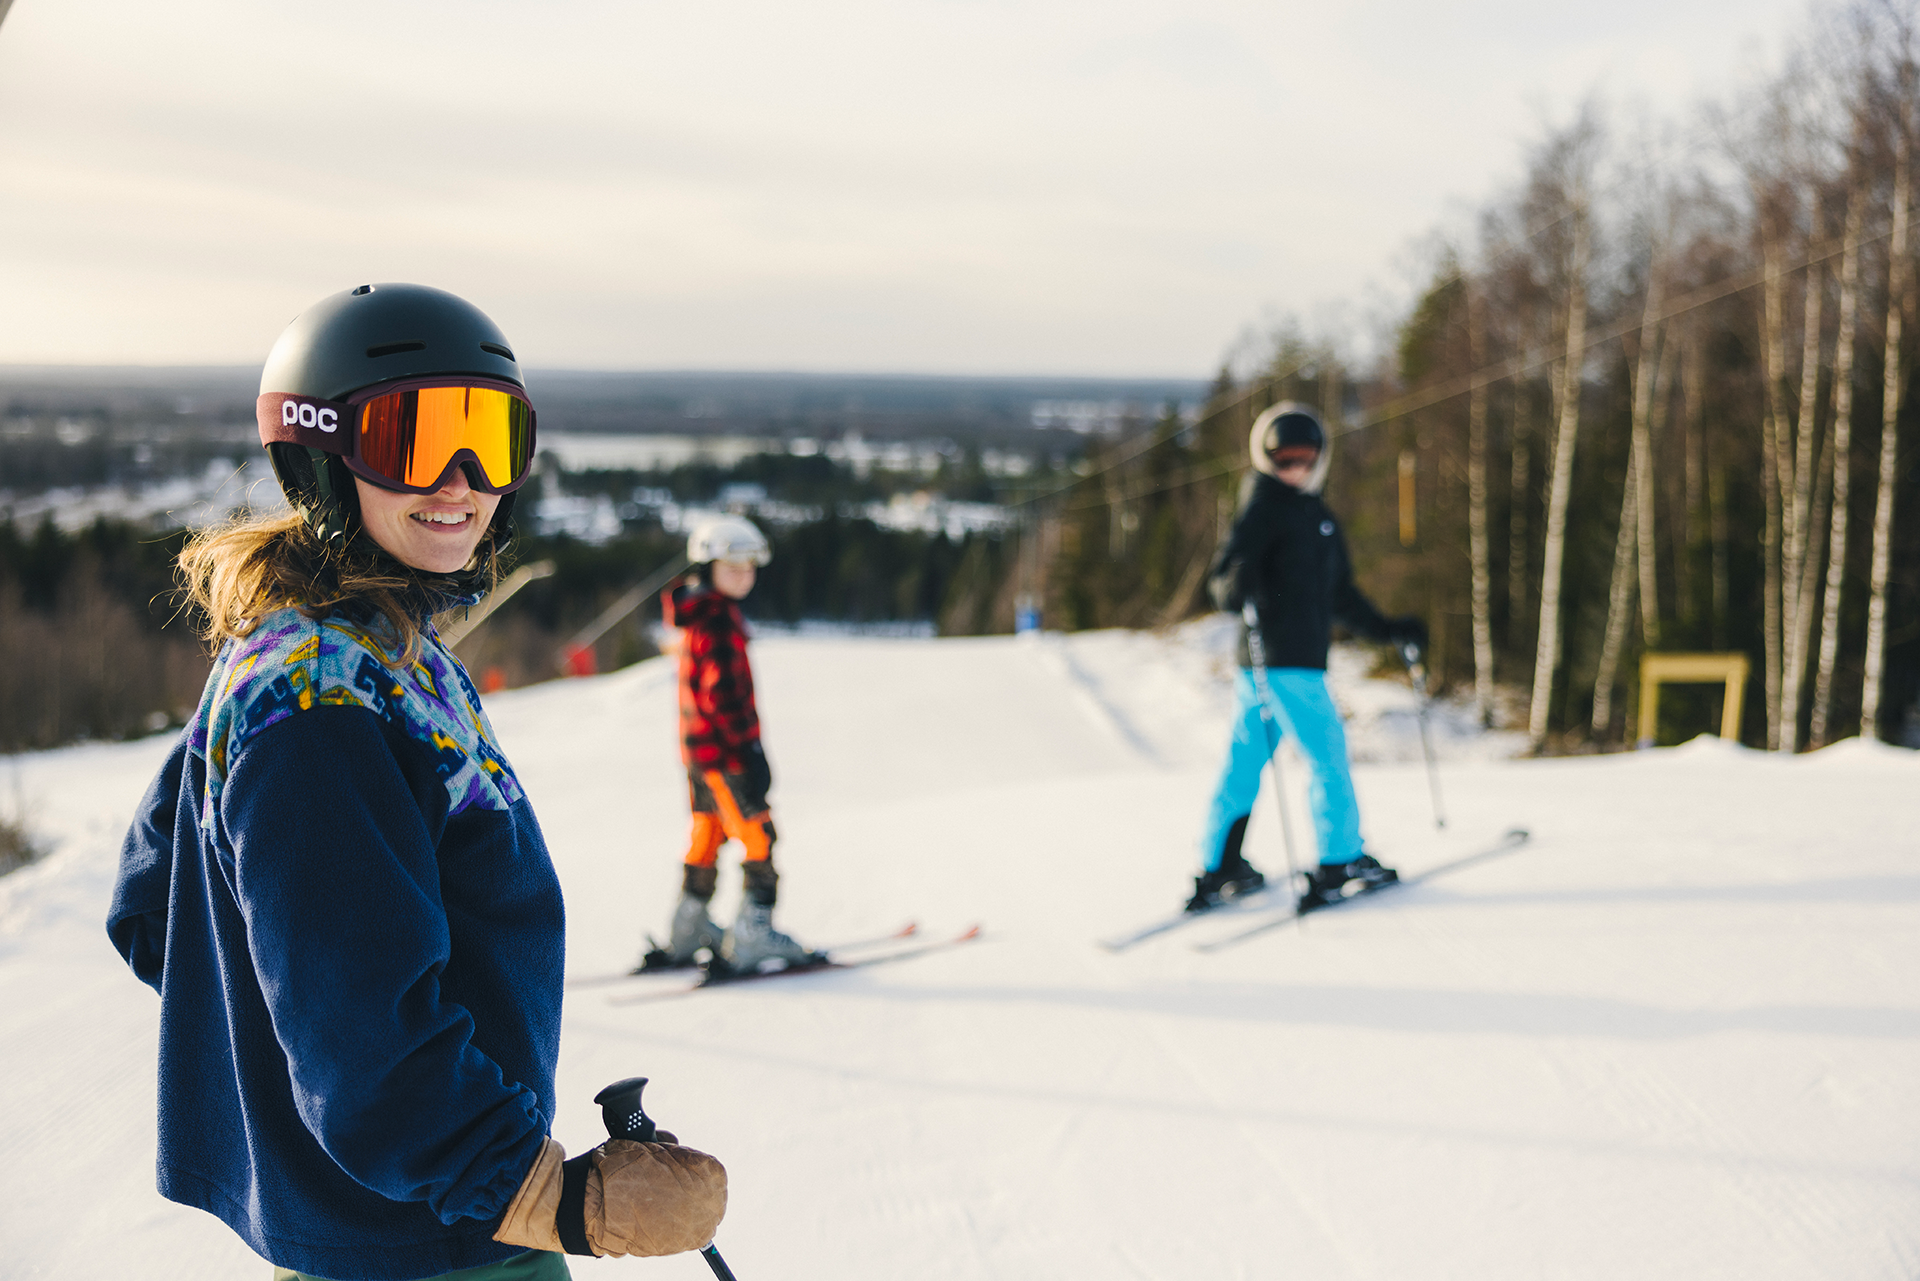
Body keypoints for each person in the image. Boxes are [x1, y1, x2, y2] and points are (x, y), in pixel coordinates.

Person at [106, 283, 727, 1281]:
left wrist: (292, 1040)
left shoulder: (342, 643)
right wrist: (551, 1198)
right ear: (319, 453)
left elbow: (159, 906)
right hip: (431, 1244)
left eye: (491, 435)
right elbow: (357, 1028)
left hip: (417, 1217)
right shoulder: (319, 709)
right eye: (414, 439)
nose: (465, 479)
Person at [1187, 402, 1427, 915]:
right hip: (1283, 662)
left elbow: (1339, 594)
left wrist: (1389, 629)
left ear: (1320, 457)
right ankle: (1339, 862)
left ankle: (1220, 864)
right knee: (1328, 757)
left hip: (1265, 670)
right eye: (1283, 459)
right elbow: (1224, 578)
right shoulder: (1266, 503)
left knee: (1244, 763)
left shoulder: (1314, 514)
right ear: (1265, 457)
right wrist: (1237, 587)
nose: (1293, 468)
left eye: (1303, 458)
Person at [642, 514, 818, 975]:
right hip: (725, 755)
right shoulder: (718, 622)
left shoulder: (700, 616)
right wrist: (751, 754)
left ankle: (688, 929)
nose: (744, 574)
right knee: (758, 834)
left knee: (707, 833)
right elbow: (724, 698)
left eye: (750, 565)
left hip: (700, 755)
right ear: (707, 568)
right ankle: (752, 936)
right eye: (732, 565)